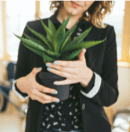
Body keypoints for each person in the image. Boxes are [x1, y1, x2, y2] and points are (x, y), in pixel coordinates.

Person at [12, 0, 119, 132]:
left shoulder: (105, 33)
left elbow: (111, 96)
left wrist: (87, 77)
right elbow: (17, 82)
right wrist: (23, 85)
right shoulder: (33, 28)